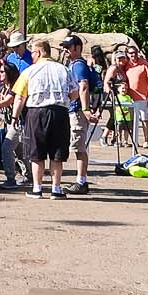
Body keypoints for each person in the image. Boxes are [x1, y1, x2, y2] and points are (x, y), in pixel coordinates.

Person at [13, 38, 73, 198]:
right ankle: (56, 189)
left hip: (36, 113)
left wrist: (14, 117)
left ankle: (37, 189)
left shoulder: (29, 71)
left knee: (37, 153)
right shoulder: (63, 70)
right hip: (59, 112)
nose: (31, 55)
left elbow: (20, 97)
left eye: (32, 52)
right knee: (57, 153)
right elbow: (74, 93)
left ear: (38, 52)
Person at [61, 35, 98, 194]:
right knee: (78, 146)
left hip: (77, 110)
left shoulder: (78, 66)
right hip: (75, 109)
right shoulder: (74, 64)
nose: (65, 50)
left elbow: (83, 86)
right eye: (64, 47)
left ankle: (81, 181)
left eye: (68, 47)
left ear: (77, 48)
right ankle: (80, 180)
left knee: (79, 147)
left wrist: (85, 109)